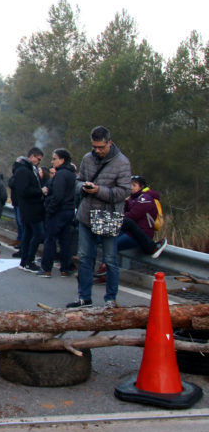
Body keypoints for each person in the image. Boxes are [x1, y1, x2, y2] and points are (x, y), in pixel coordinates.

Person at [69, 126, 132, 309]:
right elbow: (78, 181)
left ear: (109, 143)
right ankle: (84, 297)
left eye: (101, 147)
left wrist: (99, 191)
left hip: (108, 215)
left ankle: (110, 299)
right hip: (87, 214)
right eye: (94, 147)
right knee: (84, 257)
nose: (97, 150)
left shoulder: (122, 163)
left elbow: (124, 191)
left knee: (110, 259)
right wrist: (83, 187)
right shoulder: (87, 159)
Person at [37, 148, 76, 278]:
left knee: (50, 239)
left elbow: (58, 195)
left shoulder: (60, 174)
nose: (52, 161)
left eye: (54, 158)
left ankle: (46, 268)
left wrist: (50, 208)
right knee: (65, 241)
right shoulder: (71, 174)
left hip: (58, 211)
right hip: (69, 210)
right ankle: (65, 268)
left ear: (62, 160)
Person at [117, 175, 168, 257]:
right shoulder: (132, 198)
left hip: (142, 234)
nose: (131, 187)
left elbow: (131, 216)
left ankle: (152, 247)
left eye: (134, 185)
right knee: (105, 242)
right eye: (129, 184)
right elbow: (123, 213)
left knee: (112, 246)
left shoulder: (145, 198)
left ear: (142, 187)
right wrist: (126, 202)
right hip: (131, 232)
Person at [13, 147, 45, 272]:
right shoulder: (23, 170)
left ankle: (25, 260)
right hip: (30, 208)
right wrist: (40, 191)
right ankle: (29, 260)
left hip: (31, 208)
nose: (39, 162)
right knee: (38, 234)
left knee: (28, 234)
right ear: (32, 156)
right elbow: (23, 190)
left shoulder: (28, 169)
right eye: (38, 159)